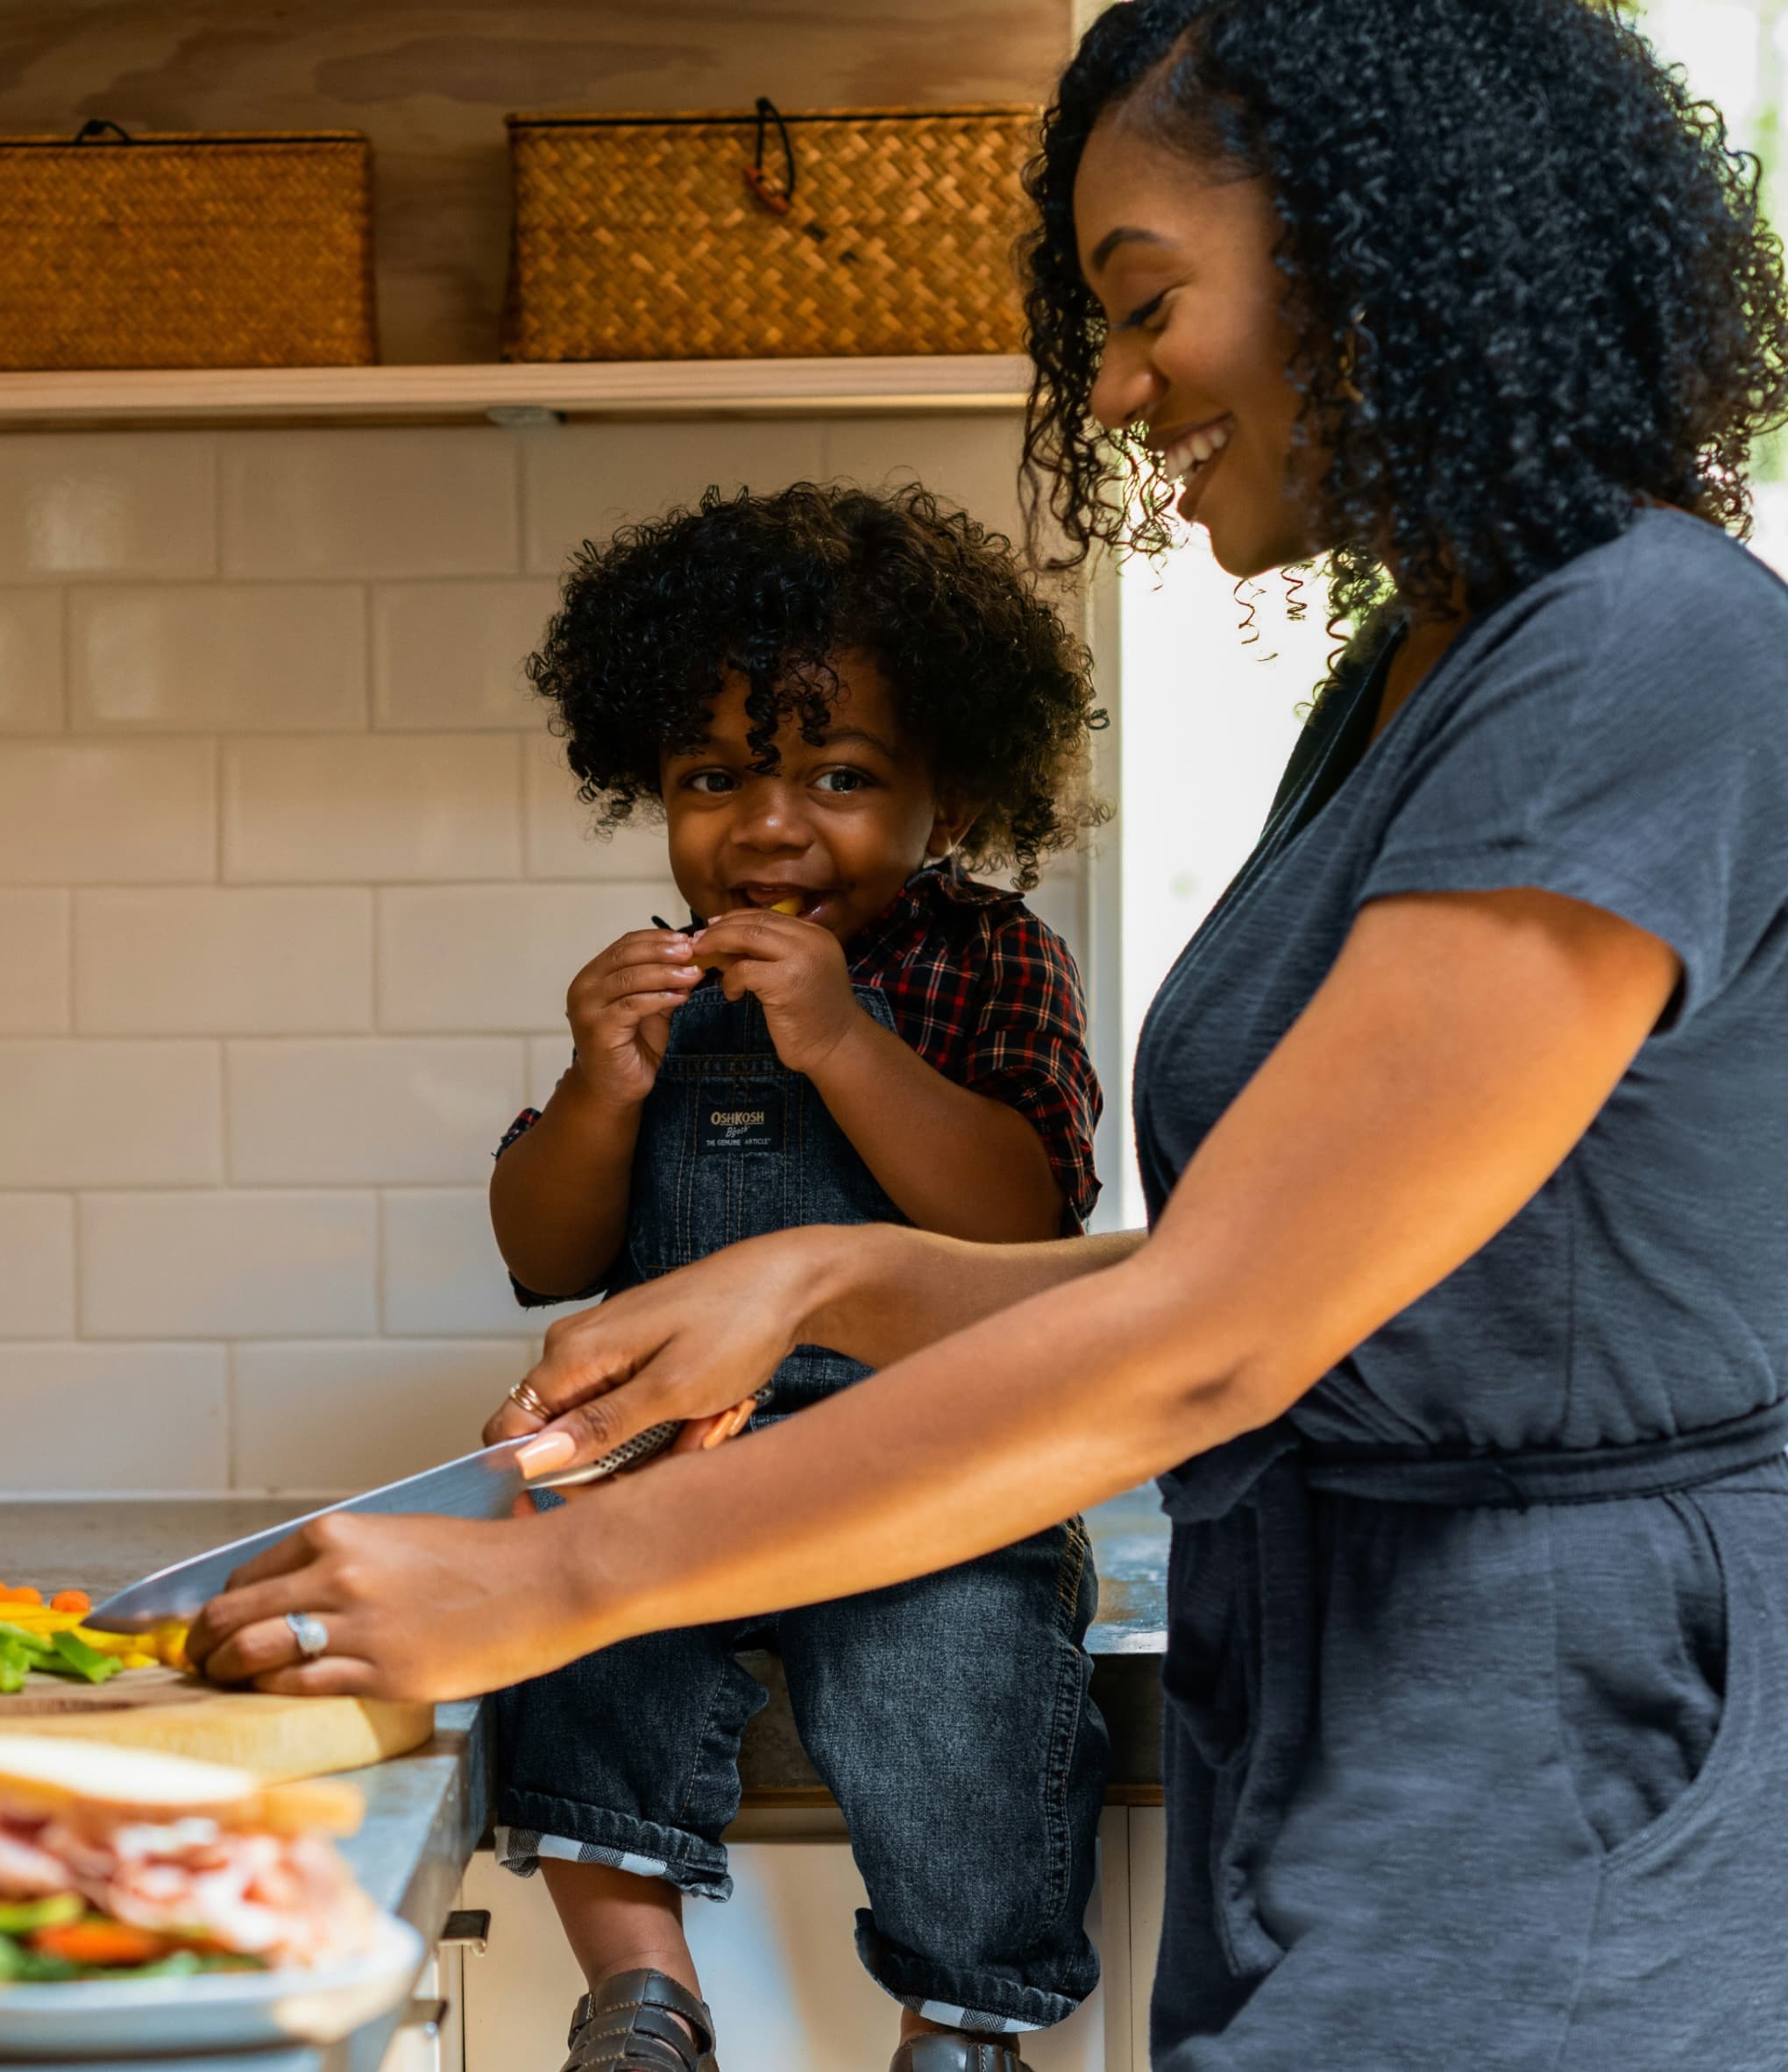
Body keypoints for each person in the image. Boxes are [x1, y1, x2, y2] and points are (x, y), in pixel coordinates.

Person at [189, 2, 1788, 2067]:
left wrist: (555, 1589)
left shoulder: (1641, 650)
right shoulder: (1420, 670)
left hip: (1557, 1740)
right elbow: (1349, 1272)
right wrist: (840, 1272)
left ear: (1375, 255)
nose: (1114, 388)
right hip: (1352, 1706)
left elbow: (1224, 1337)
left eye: (1143, 305)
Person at [486, 482, 1112, 2071]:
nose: (769, 827)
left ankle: (958, 2023)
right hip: (682, 1462)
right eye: (715, 779)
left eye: (840, 776)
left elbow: (1026, 1220)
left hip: (934, 1463)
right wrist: (599, 1091)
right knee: (565, 1617)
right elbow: (540, 1250)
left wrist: (839, 1039)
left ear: (949, 797)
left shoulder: (989, 957)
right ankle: (640, 1997)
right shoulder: (654, 990)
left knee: (957, 1666)